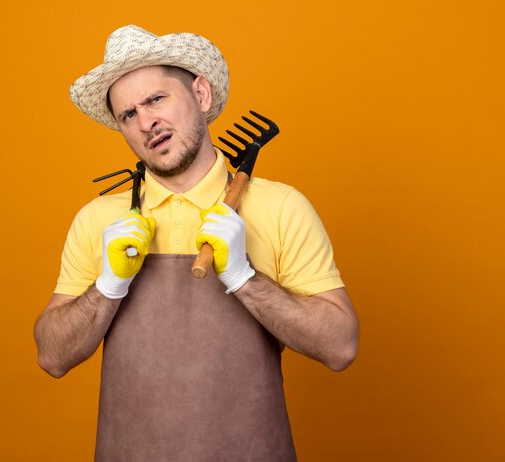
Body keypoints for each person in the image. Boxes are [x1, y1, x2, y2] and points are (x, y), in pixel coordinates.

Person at [34, 24, 359, 461]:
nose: (147, 121)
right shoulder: (100, 221)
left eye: (156, 99)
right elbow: (52, 356)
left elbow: (340, 347)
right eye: (128, 114)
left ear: (201, 96)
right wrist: (107, 286)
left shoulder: (280, 208)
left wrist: (245, 277)